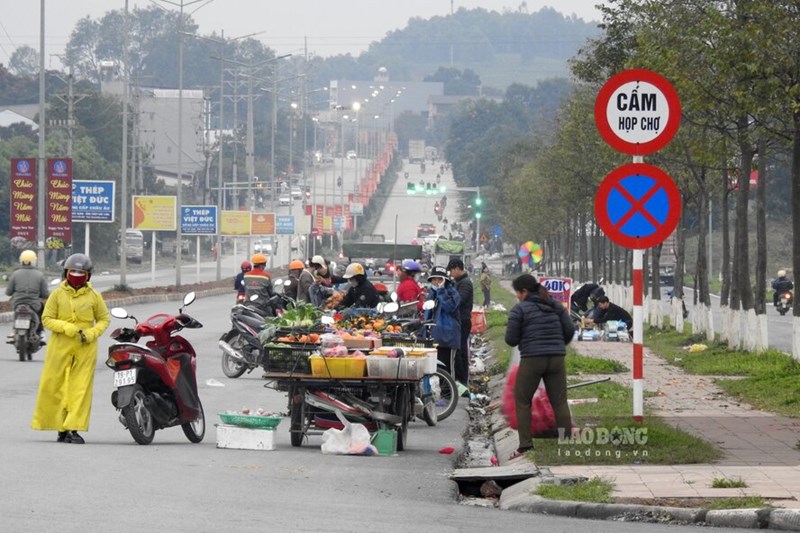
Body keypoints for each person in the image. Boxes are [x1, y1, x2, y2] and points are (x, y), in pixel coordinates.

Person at [31, 253, 110, 444]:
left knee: (80, 388)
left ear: (88, 275)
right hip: (60, 346)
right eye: (72, 271)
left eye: (81, 272)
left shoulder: (94, 296)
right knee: (56, 387)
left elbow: (104, 319)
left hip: (85, 347)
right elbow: (47, 319)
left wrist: (92, 333)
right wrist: (65, 327)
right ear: (65, 273)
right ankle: (60, 428)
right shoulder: (57, 295)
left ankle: (73, 428)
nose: (76, 274)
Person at [504, 273, 575, 460]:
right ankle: (566, 442)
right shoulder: (555, 306)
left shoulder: (520, 310)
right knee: (559, 401)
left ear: (524, 291)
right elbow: (569, 331)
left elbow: (510, 340)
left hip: (533, 359)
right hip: (557, 358)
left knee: (522, 400)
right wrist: (557, 344)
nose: (517, 296)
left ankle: (525, 445)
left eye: (518, 293)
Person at [425, 266, 461, 380]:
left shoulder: (452, 293)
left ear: (445, 280)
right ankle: (443, 394)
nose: (436, 282)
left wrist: (441, 291)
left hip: (448, 337)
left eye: (439, 279)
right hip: (435, 337)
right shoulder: (432, 294)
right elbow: (428, 314)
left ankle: (450, 394)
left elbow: (450, 307)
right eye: (434, 279)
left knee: (448, 368)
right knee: (437, 368)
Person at [6, 250, 50, 344]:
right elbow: (45, 294)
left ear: (21, 261)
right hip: (34, 304)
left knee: (16, 313)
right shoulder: (40, 275)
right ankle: (41, 332)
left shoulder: (15, 274)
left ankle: (14, 331)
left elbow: (8, 292)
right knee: (41, 310)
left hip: (18, 302)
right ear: (34, 261)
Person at [447, 258, 473, 391]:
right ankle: (461, 381)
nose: (451, 274)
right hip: (459, 321)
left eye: (451, 271)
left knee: (460, 352)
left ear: (457, 268)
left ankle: (462, 382)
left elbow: (458, 301)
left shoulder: (465, 284)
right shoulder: (458, 282)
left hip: (463, 321)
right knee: (459, 351)